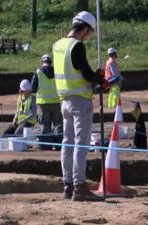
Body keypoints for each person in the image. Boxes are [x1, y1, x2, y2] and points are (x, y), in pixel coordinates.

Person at [53, 11, 104, 201]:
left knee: (67, 142)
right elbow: (85, 74)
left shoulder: (57, 45)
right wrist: (101, 79)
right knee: (81, 144)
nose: (89, 36)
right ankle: (79, 186)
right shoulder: (77, 46)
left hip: (64, 101)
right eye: (89, 32)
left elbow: (72, 71)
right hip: (80, 101)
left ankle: (67, 185)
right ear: (85, 29)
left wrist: (95, 77)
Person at [31, 54, 63, 150]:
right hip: (56, 102)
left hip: (42, 103)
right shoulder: (57, 72)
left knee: (44, 125)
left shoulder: (38, 72)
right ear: (51, 62)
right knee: (57, 124)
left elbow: (33, 88)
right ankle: (58, 145)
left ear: (42, 62)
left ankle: (45, 146)